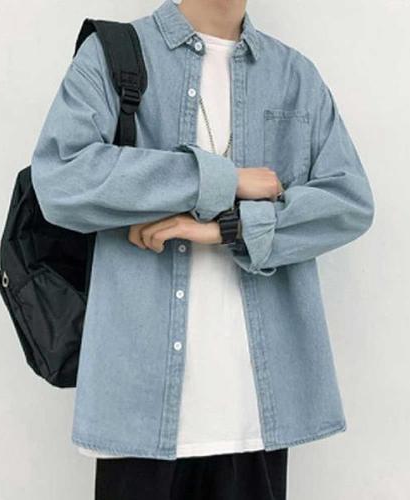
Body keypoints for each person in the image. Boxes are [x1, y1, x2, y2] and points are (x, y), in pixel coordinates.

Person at [30, 0, 375, 498]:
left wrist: (227, 228)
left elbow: (348, 202)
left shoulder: (294, 75)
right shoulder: (112, 55)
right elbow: (61, 179)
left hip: (256, 412)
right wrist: (221, 180)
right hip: (139, 408)